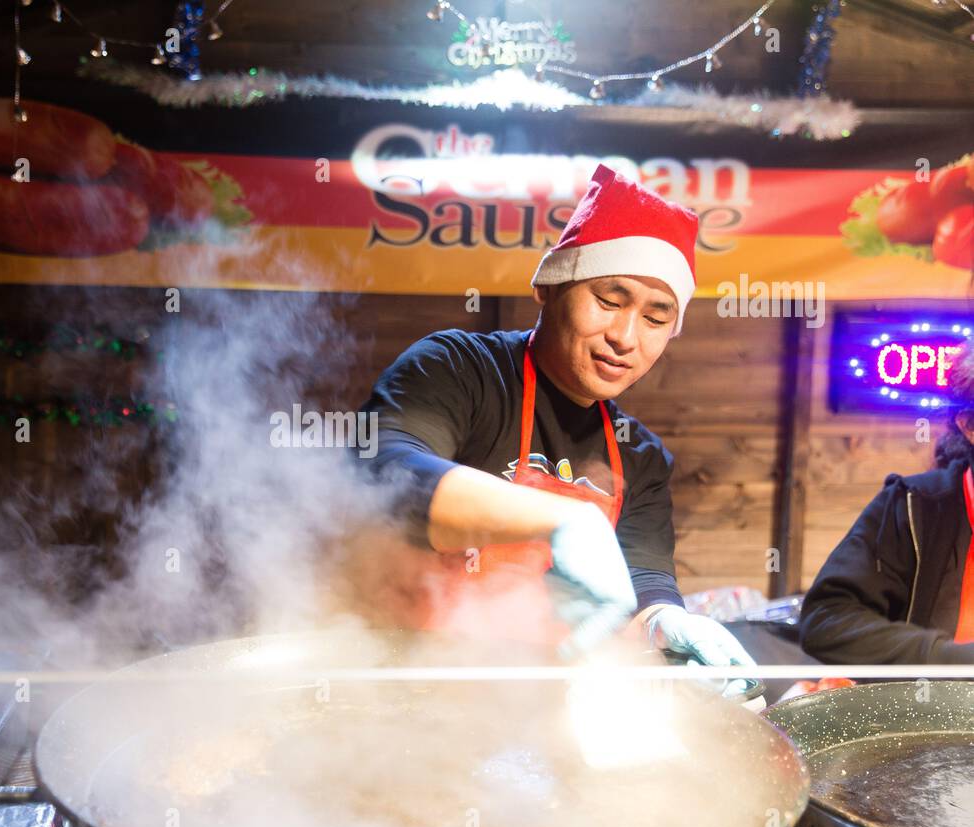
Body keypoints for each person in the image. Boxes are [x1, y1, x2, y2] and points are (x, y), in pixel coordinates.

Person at [358, 163, 754, 673]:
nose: (626, 336)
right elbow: (379, 471)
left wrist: (663, 622)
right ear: (549, 286)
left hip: (538, 702)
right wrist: (565, 521)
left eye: (656, 318)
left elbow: (646, 586)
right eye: (610, 300)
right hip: (402, 678)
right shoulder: (459, 370)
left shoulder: (641, 456)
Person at [800, 344, 974, 663]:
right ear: (967, 426)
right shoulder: (911, 506)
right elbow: (826, 620)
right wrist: (947, 659)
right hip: (930, 707)